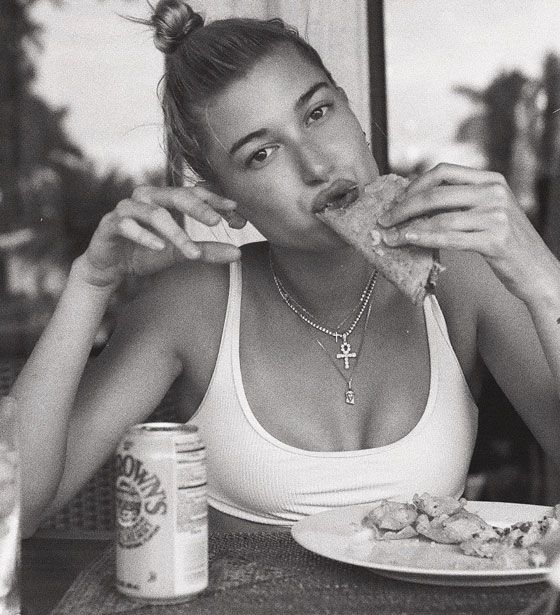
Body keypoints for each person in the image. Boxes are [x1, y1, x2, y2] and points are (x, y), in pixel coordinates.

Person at [13, 0, 560, 536]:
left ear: (352, 109)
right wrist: (89, 283)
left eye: (318, 113)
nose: (317, 164)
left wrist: (543, 283)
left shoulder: (456, 274)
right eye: (261, 153)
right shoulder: (192, 303)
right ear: (225, 198)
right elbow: (18, 510)